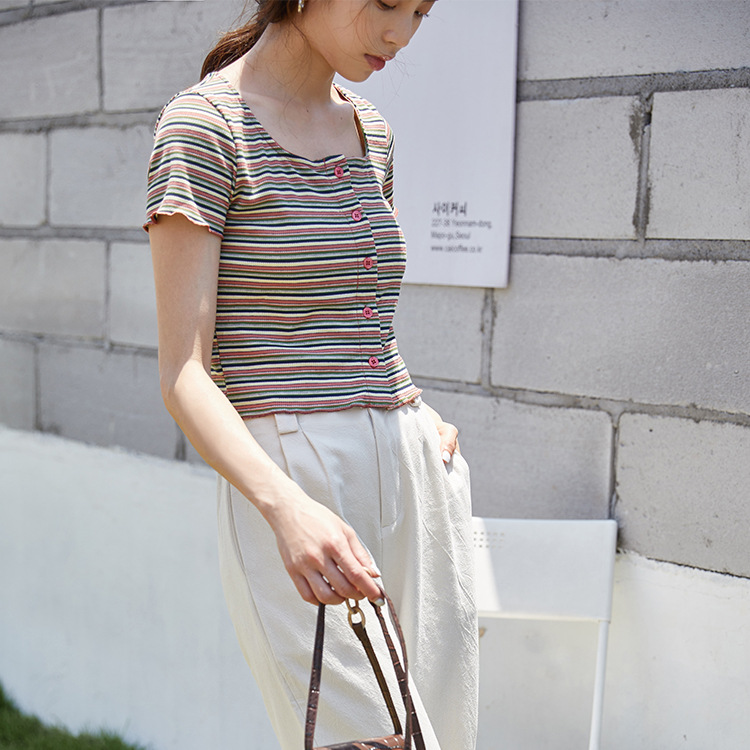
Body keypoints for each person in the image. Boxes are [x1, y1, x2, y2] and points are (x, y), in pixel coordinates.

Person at [144, 1, 478, 747]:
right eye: (386, 3)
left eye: (420, 13)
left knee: (438, 735)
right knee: (359, 738)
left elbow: (358, 317)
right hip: (293, 475)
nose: (400, 35)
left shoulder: (370, 130)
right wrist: (285, 508)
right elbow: (183, 374)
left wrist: (415, 413)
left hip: (412, 466)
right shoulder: (205, 127)